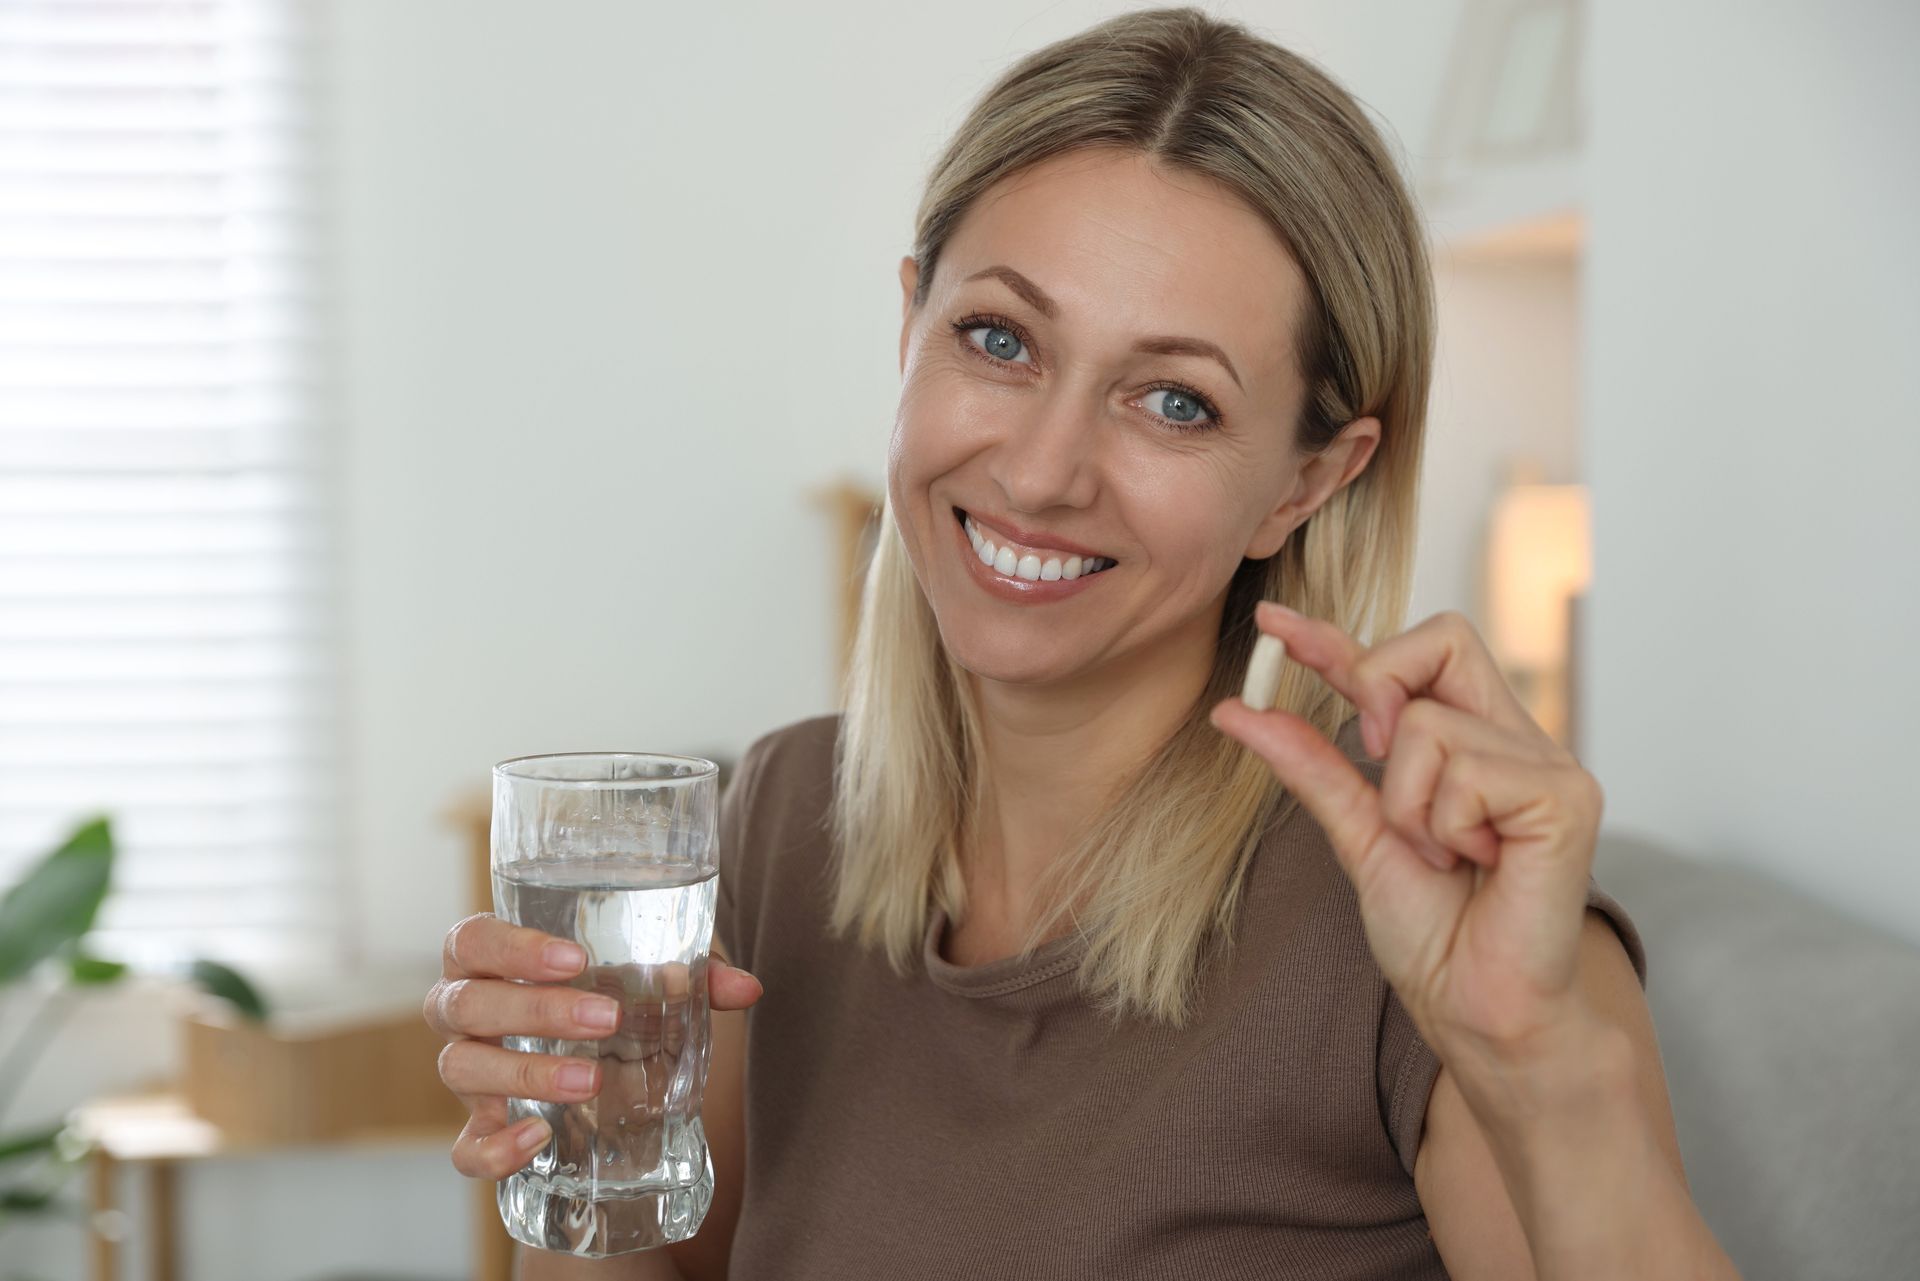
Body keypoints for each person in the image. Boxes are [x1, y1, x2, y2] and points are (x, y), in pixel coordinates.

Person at [423, 8, 1741, 1279]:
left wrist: (1541, 1065)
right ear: (908, 329)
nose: (1045, 471)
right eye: (998, 339)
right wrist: (573, 1146)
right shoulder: (783, 816)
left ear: (1309, 481)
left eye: (1175, 401)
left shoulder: (1426, 909)